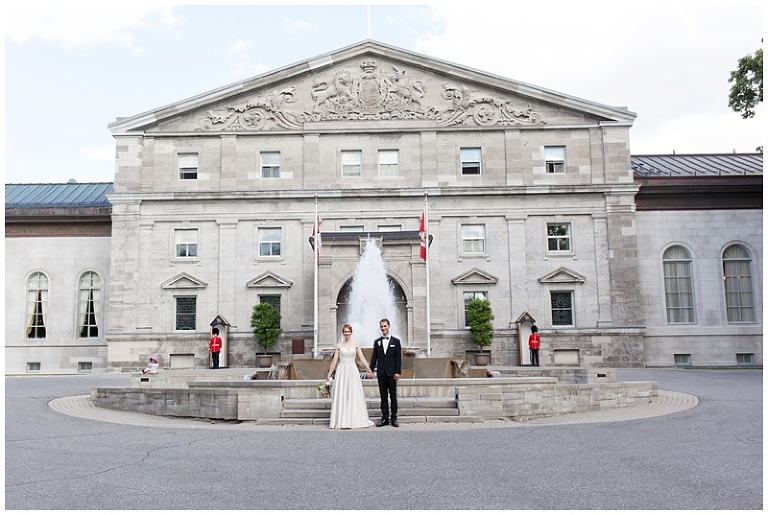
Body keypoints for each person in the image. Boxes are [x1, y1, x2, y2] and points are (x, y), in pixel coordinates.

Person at [326, 324, 374, 429]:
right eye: (345, 332)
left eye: (348, 331)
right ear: (343, 333)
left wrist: (369, 369)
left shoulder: (356, 344)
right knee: (342, 393)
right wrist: (329, 374)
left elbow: (362, 358)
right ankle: (341, 419)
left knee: (353, 393)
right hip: (342, 370)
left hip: (352, 370)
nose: (347, 333)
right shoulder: (339, 345)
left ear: (351, 333)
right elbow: (334, 361)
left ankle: (353, 419)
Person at [369, 318, 402, 427]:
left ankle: (394, 418)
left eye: (385, 326)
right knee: (383, 397)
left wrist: (397, 372)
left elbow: (398, 358)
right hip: (381, 373)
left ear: (389, 326)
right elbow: (374, 358)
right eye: (381, 326)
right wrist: (371, 370)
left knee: (393, 396)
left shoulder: (396, 341)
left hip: (392, 373)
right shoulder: (377, 342)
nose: (383, 328)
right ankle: (385, 418)